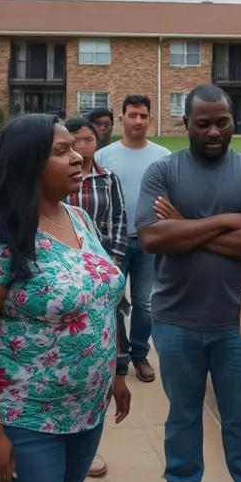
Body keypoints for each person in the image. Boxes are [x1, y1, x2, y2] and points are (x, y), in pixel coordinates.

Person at [0, 115, 130, 482]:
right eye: (61, 151)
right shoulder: (0, 235)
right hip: (23, 417)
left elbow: (104, 300)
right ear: (26, 162)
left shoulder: (80, 218)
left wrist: (117, 373)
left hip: (86, 411)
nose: (77, 158)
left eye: (75, 147)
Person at [137, 84, 241, 482]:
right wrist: (230, 221)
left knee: (238, 415)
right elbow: (150, 237)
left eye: (223, 122)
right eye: (204, 124)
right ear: (187, 124)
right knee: (183, 412)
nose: (214, 131)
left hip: (238, 321)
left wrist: (186, 227)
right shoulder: (163, 172)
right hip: (175, 319)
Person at [64, 116, 129, 480]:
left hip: (103, 271)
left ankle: (117, 369)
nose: (81, 149)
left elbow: (119, 218)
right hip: (65, 281)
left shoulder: (107, 180)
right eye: (73, 142)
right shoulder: (59, 186)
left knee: (108, 326)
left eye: (88, 140)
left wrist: (113, 261)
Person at [96, 94, 169, 384]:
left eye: (143, 115)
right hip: (111, 242)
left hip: (149, 242)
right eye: (132, 115)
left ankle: (140, 356)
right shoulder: (105, 156)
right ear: (122, 118)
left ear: (149, 119)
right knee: (109, 302)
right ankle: (117, 355)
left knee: (145, 303)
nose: (138, 120)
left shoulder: (163, 156)